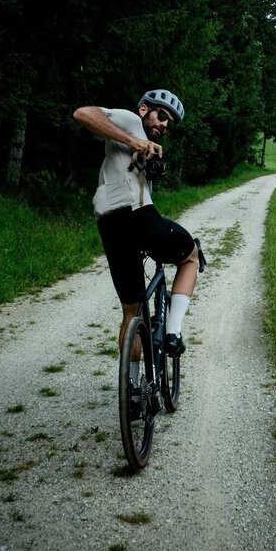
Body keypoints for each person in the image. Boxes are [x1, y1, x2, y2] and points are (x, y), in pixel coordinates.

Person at [72, 89, 199, 357]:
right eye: (162, 116)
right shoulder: (130, 121)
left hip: (110, 223)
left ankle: (132, 388)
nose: (165, 125)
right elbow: (83, 114)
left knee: (132, 311)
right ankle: (173, 334)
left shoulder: (146, 146)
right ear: (144, 110)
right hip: (135, 215)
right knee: (190, 257)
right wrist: (133, 140)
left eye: (169, 123)